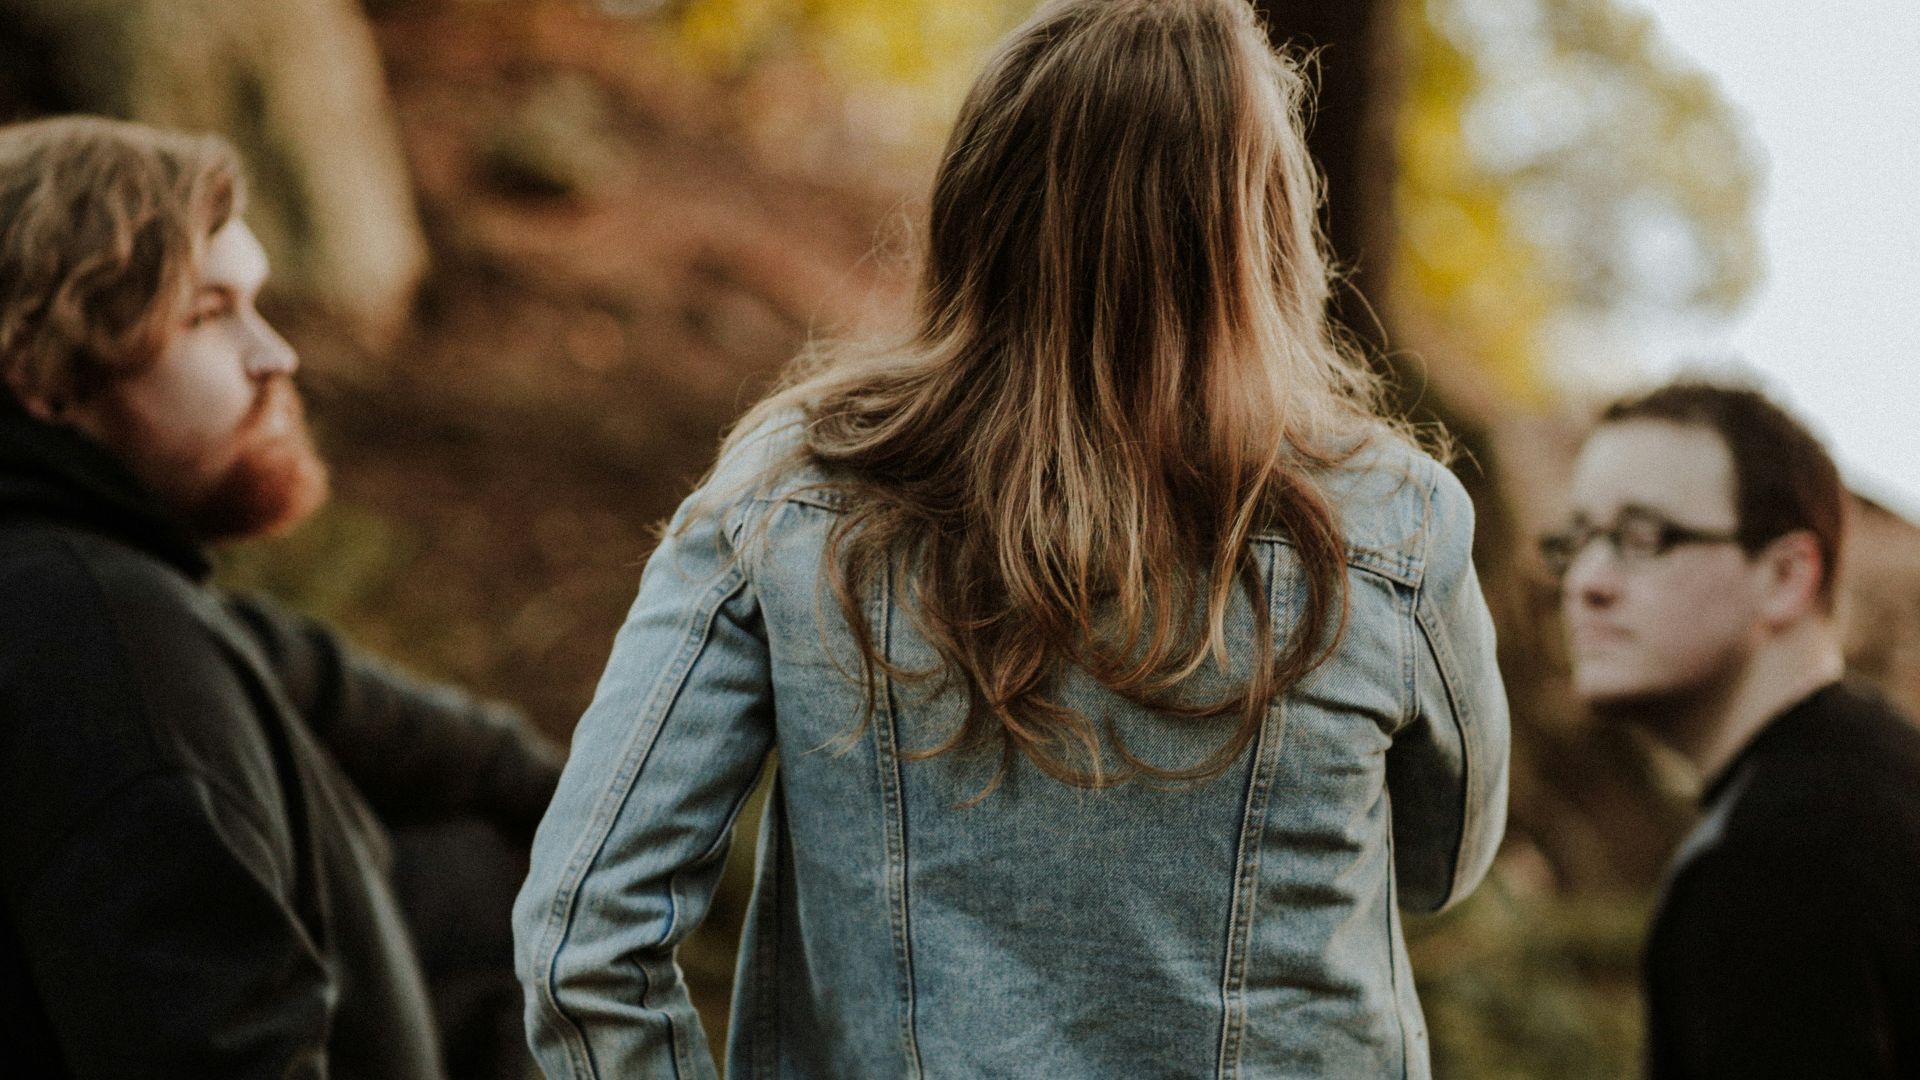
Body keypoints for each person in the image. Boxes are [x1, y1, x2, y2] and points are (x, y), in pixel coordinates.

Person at [514, 1, 1510, 1077]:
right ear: (1267, 228)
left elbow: (584, 937)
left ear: (977, 200)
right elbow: (1440, 865)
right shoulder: (1392, 523)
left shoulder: (794, 490)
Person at [0, 116, 563, 1078]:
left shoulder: (93, 589)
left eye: (257, 303)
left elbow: (361, 703)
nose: (277, 356)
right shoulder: (105, 644)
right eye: (209, 314)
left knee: (471, 860)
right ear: (46, 374)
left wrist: (612, 817)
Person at [1546, 379, 1920, 1078]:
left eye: (1642, 537)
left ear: (1784, 576)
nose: (1587, 582)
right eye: (1577, 540)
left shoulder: (1779, 862)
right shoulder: (1880, 775)